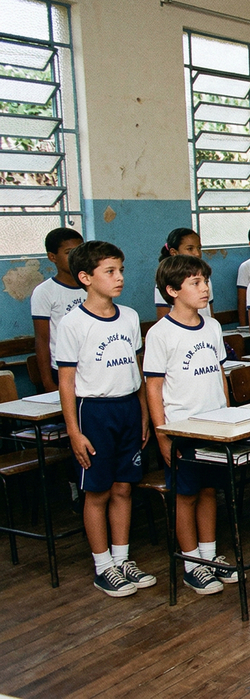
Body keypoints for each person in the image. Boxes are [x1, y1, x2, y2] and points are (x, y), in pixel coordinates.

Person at [55, 241, 154, 598]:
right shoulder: (72, 324)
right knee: (96, 491)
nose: (119, 278)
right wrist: (73, 431)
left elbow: (137, 370)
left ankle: (122, 558)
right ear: (85, 277)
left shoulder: (128, 316)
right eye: (110, 271)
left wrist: (143, 415)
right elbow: (65, 382)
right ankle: (103, 566)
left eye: (121, 270)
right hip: (93, 412)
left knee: (124, 487)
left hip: (127, 407)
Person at [144, 255, 237, 595]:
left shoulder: (212, 326)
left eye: (205, 281)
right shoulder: (160, 334)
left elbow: (220, 375)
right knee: (185, 496)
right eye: (195, 283)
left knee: (210, 491)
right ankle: (192, 563)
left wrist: (227, 415)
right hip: (181, 430)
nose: (205, 288)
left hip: (215, 426)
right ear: (172, 290)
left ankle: (210, 556)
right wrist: (162, 435)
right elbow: (153, 387)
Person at [31, 228, 85, 393]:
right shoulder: (45, 292)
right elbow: (42, 339)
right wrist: (47, 382)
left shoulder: (93, 285)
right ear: (52, 257)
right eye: (69, 252)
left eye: (80, 251)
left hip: (91, 365)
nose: (76, 257)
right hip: (62, 368)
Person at [155, 228, 212, 320]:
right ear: (174, 252)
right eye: (190, 248)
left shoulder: (203, 277)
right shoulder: (167, 280)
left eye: (199, 248)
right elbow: (162, 318)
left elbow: (209, 310)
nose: (197, 253)